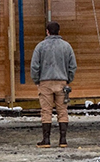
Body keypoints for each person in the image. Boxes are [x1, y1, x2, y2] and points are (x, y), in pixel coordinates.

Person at [29, 20, 77, 149]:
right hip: (62, 82)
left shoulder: (40, 46)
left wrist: (37, 80)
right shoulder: (67, 46)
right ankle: (63, 140)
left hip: (45, 82)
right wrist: (68, 79)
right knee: (62, 110)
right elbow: (72, 66)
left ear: (47, 31)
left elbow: (34, 66)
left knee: (46, 111)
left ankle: (46, 140)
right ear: (59, 31)